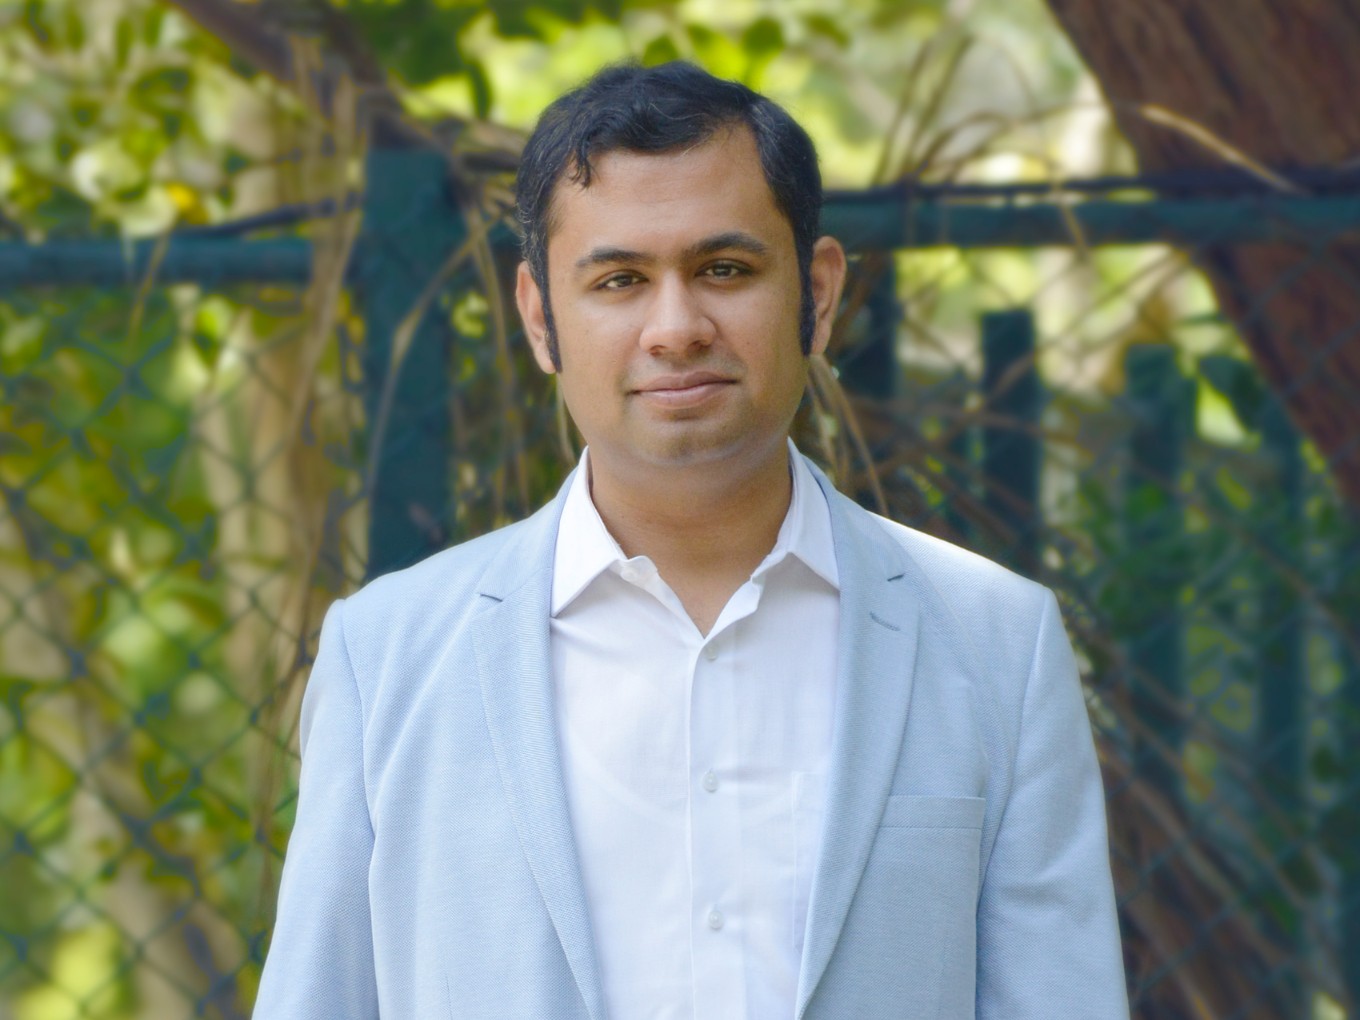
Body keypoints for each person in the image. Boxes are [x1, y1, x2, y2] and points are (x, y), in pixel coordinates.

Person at [254, 61, 1128, 1019]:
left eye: (724, 270)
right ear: (540, 318)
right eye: (620, 280)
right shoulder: (388, 658)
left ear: (818, 294)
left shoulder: (997, 642)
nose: (675, 329)